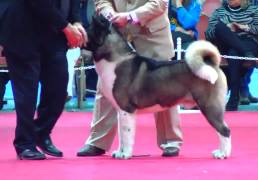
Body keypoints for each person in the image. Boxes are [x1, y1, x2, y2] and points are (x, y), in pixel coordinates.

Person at [77, 0, 183, 157]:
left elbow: (160, 3)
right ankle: (98, 142)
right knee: (106, 87)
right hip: (116, 36)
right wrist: (109, 14)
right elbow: (101, 1)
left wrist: (130, 16)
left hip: (152, 35)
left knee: (163, 86)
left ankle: (171, 141)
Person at [0, 0, 87, 160]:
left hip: (54, 33)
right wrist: (67, 27)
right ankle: (25, 143)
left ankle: (41, 132)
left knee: (59, 88)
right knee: (27, 92)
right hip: (21, 28)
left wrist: (77, 22)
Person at [205, 0, 258, 111]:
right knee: (220, 27)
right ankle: (246, 54)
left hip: (248, 42)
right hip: (227, 44)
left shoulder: (254, 10)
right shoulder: (219, 12)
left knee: (234, 54)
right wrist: (227, 28)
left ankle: (233, 98)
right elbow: (208, 33)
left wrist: (243, 27)